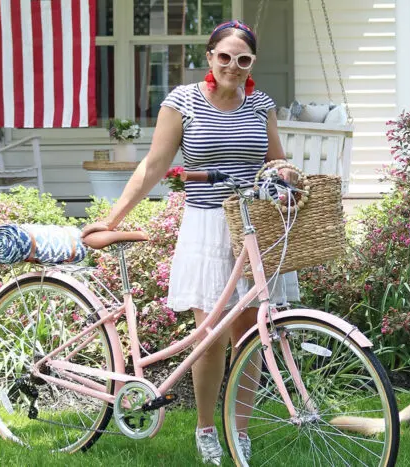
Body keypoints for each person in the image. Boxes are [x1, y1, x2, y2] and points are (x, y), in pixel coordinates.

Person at [81, 20, 299, 465]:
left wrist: (287, 175)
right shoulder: (183, 102)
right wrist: (111, 217)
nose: (233, 66)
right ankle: (205, 430)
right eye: (225, 57)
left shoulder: (261, 104)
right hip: (207, 225)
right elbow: (154, 165)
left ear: (252, 63)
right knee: (210, 335)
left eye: (243, 60)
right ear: (209, 58)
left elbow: (276, 160)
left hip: (254, 225)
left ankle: (239, 432)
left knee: (252, 334)